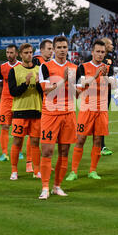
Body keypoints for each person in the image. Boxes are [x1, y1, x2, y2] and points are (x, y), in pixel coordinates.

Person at [66, 40, 116, 181]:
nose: (100, 54)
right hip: (87, 108)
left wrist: (105, 75)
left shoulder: (108, 67)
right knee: (80, 139)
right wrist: (95, 76)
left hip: (101, 109)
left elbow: (114, 85)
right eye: (98, 51)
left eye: (102, 52)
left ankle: (92, 171)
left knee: (98, 140)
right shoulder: (83, 67)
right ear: (92, 52)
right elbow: (81, 84)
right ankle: (74, 171)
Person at [38, 36, 78, 200]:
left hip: (68, 114)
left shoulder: (74, 67)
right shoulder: (45, 67)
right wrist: (64, 80)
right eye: (59, 47)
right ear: (53, 49)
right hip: (50, 115)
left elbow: (77, 93)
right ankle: (45, 187)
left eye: (65, 47)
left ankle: (57, 186)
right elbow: (46, 90)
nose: (62, 50)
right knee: (47, 151)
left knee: (64, 151)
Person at [8, 43, 43, 180]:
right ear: (20, 54)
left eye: (31, 52)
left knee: (35, 143)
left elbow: (43, 93)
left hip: (36, 111)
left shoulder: (39, 69)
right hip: (20, 111)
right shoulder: (15, 71)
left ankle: (37, 171)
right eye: (26, 52)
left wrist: (40, 84)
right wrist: (26, 84)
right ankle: (14, 171)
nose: (29, 55)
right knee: (17, 142)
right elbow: (13, 92)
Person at [0, 45, 24, 163]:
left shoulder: (22, 66)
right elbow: (0, 85)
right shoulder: (2, 67)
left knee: (18, 128)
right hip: (5, 101)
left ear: (16, 54)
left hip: (18, 101)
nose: (9, 55)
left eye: (11, 52)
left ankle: (19, 151)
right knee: (4, 126)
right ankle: (4, 153)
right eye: (7, 52)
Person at [99, 37, 117, 156]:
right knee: (98, 119)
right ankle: (100, 146)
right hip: (96, 93)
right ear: (105, 45)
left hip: (107, 92)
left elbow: (111, 75)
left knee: (102, 119)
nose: (112, 46)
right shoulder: (94, 58)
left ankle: (101, 146)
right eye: (110, 44)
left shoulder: (110, 58)